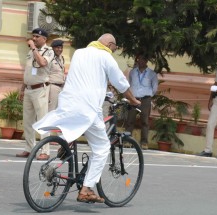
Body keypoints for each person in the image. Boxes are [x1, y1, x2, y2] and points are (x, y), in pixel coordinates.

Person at [33, 33, 141, 203]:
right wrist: (134, 101)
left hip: (68, 101)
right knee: (102, 148)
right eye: (114, 48)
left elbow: (87, 79)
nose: (113, 51)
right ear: (110, 45)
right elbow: (121, 84)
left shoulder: (80, 53)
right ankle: (86, 189)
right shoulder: (106, 56)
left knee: (75, 124)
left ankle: (65, 143)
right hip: (87, 107)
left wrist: (103, 93)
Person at [16, 28, 54, 161]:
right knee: (27, 121)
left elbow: (42, 63)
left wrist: (33, 48)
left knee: (42, 120)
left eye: (37, 37)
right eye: (33, 36)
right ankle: (29, 148)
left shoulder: (49, 51)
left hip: (40, 90)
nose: (34, 39)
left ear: (44, 39)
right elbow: (27, 71)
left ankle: (45, 151)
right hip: (28, 89)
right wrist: (22, 88)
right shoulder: (30, 51)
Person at [125, 54, 158, 150]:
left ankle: (144, 142)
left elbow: (155, 87)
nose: (141, 61)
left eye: (143, 60)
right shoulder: (132, 72)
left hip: (145, 99)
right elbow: (130, 84)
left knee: (145, 121)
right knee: (130, 120)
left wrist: (148, 95)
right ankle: (127, 140)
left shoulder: (152, 74)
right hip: (133, 98)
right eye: (139, 60)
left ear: (146, 61)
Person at [49, 39, 66, 111]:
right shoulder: (49, 58)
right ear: (53, 48)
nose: (60, 49)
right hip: (52, 86)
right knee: (50, 109)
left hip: (61, 87)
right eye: (58, 47)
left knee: (58, 110)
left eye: (61, 47)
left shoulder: (61, 58)